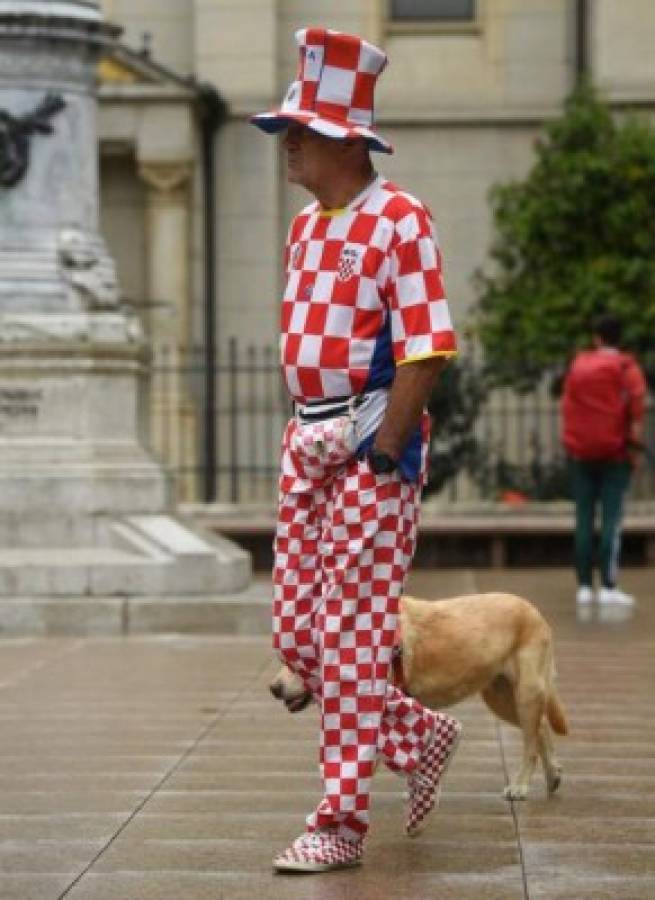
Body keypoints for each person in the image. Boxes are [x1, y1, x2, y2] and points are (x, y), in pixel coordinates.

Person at [251, 27, 462, 873]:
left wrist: (385, 449)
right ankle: (414, 729)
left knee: (347, 636)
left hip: (373, 445)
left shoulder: (400, 220)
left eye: (298, 130)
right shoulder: (306, 227)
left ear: (342, 136)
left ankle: (339, 820)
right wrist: (306, 425)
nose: (288, 143)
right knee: (296, 630)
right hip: (309, 440)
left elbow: (427, 345)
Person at [561, 313, 647, 608]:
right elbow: (637, 413)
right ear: (619, 338)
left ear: (596, 338)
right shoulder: (626, 368)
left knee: (583, 519)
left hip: (581, 454)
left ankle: (584, 586)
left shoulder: (579, 365)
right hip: (616, 455)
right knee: (611, 519)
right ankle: (609, 586)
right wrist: (634, 449)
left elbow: (567, 405)